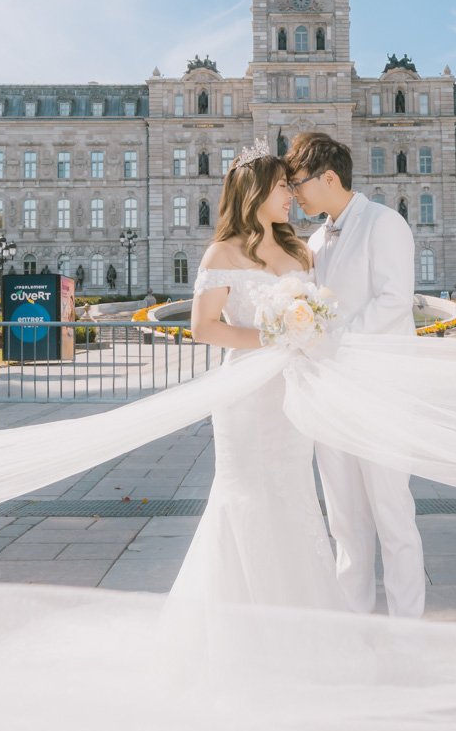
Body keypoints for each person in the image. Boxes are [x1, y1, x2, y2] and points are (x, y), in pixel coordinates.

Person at [173, 145, 345, 614]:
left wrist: (308, 330)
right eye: (281, 186)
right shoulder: (222, 251)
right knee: (246, 497)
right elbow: (204, 327)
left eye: (290, 185)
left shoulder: (298, 251)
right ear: (254, 191)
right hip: (246, 396)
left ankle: (303, 619)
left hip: (294, 391)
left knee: (294, 496)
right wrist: (274, 335)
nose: (290, 194)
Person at [287, 131, 426, 619]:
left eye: (298, 182)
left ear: (329, 177)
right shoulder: (317, 238)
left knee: (392, 515)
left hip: (380, 390)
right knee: (344, 519)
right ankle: (354, 624)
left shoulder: (385, 223)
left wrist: (330, 344)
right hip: (330, 395)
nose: (294, 192)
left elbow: (393, 301)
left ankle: (407, 629)